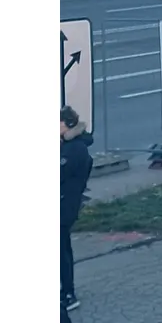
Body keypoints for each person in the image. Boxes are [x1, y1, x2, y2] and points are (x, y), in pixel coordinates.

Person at [60, 106, 94, 312]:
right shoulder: (70, 146)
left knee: (61, 252)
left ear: (68, 124)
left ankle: (68, 293)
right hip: (63, 203)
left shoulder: (75, 150)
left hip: (64, 206)